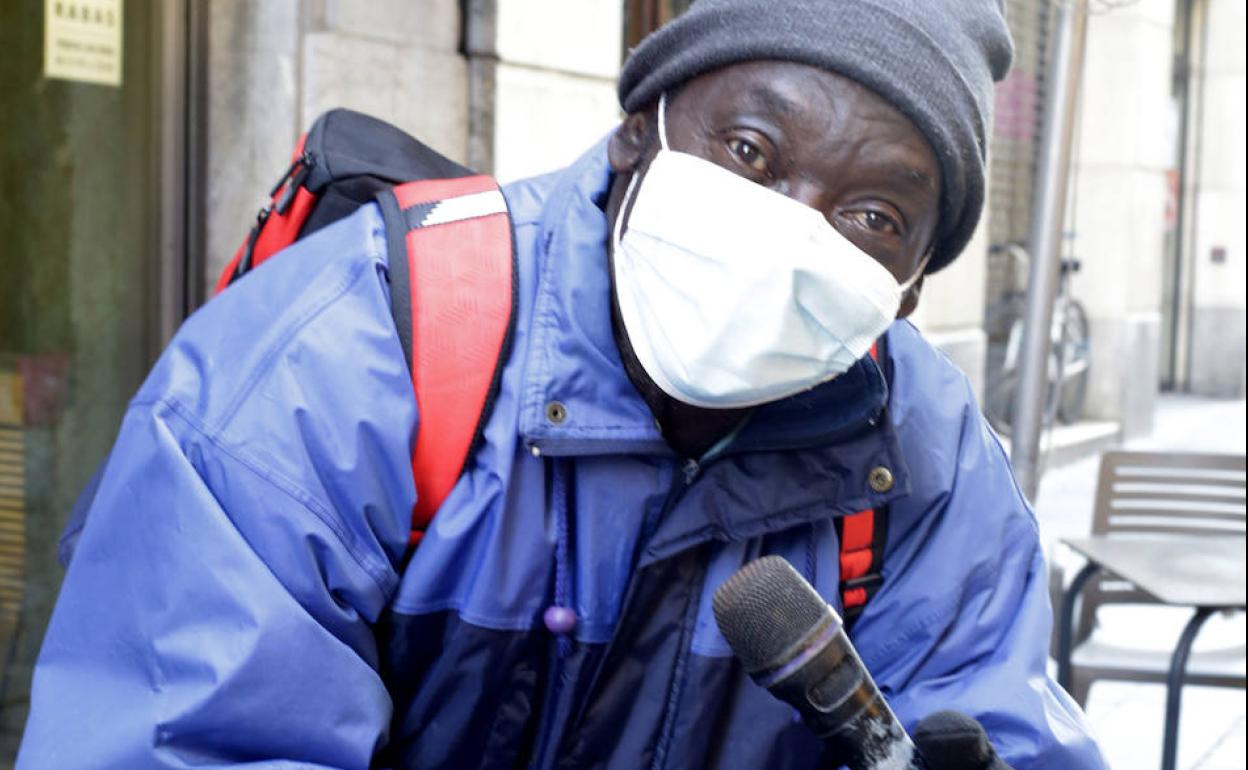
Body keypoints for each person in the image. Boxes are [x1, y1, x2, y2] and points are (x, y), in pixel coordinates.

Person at [19, 1, 1108, 768]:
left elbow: (992, 709)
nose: (792, 227)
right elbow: (179, 734)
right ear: (640, 131)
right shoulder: (344, 355)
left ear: (909, 289)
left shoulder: (924, 459)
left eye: (873, 215)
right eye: (751, 148)